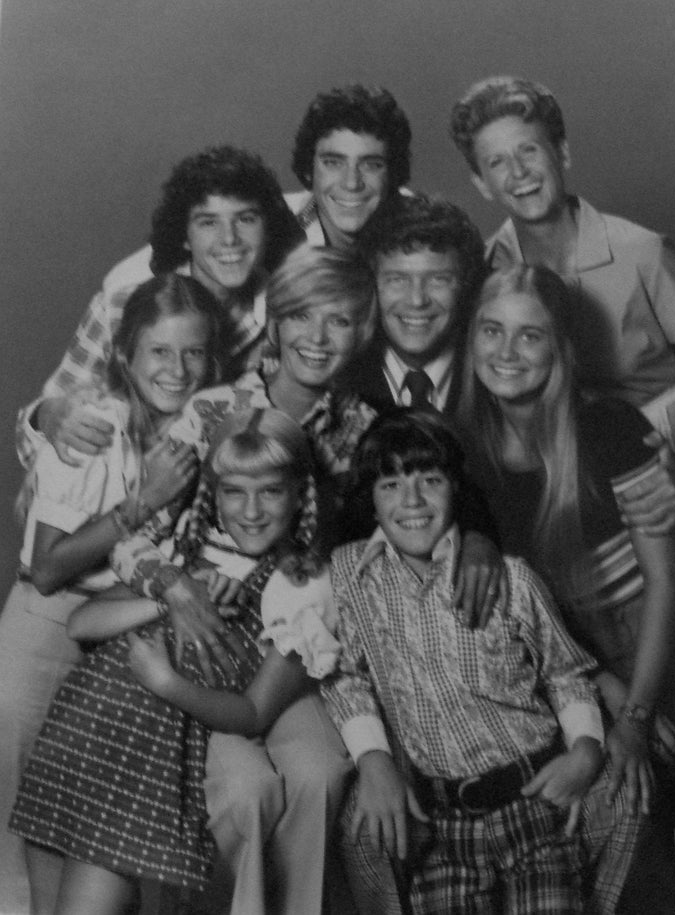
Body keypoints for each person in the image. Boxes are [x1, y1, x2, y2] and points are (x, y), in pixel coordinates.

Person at [456, 265, 675, 913]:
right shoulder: (466, 450)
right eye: (492, 330)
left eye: (530, 336)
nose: (507, 353)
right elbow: (535, 612)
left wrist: (633, 718)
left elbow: (665, 583)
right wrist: (606, 686)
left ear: (560, 348)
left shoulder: (608, 427)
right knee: (631, 855)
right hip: (580, 659)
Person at [10, 407, 341, 915]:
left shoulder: (300, 586)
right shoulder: (190, 553)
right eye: (234, 491)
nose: (250, 510)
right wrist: (172, 597)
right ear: (215, 495)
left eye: (270, 491)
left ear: (300, 495)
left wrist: (163, 681)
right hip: (80, 738)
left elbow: (252, 713)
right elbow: (81, 624)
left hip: (143, 763)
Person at [322, 407, 608, 914]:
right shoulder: (351, 580)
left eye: (430, 481)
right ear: (370, 497)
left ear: (457, 487)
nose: (411, 501)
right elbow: (348, 680)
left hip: (533, 806)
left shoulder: (511, 579)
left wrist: (585, 749)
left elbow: (566, 674)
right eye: (389, 484)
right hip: (443, 826)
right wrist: (372, 757)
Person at [0, 274, 222, 915]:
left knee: (88, 792)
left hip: (123, 613)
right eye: (160, 352)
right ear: (125, 354)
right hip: (52, 609)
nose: (177, 370)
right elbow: (47, 568)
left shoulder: (198, 429)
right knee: (15, 766)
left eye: (193, 354)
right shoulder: (97, 425)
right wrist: (144, 502)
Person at [449, 74, 675, 537]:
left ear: (563, 153)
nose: (518, 174)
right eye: (497, 162)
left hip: (668, 440)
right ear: (481, 183)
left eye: (529, 151)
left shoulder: (643, 252)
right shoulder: (489, 268)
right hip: (571, 450)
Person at [16, 146, 304, 468]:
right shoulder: (123, 305)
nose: (230, 239)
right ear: (184, 236)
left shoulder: (289, 312)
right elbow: (32, 448)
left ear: (267, 227)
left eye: (246, 219)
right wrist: (49, 416)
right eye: (209, 222)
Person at [337, 193, 484, 416]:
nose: (417, 300)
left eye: (438, 280)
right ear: (371, 286)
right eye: (397, 280)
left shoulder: (492, 378)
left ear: (465, 285)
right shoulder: (340, 379)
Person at [288, 83, 412, 250]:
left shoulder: (421, 227)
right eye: (333, 163)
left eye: (371, 165)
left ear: (392, 173)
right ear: (309, 170)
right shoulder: (274, 226)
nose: (351, 183)